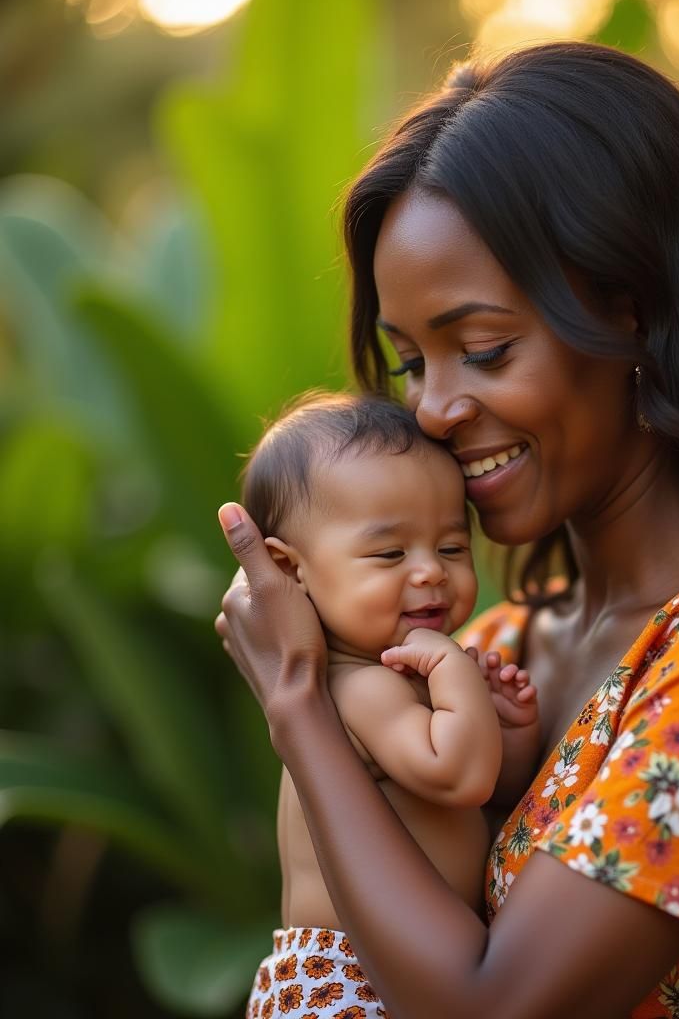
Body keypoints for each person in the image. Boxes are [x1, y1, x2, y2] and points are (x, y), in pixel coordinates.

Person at [216, 42, 679, 1019]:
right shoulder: (494, 647)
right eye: (409, 363)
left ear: (636, 314)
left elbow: (493, 1007)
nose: (433, 409)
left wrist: (299, 698)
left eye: (482, 348)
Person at [236, 391, 539, 1017]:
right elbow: (456, 773)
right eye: (389, 553)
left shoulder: (387, 679)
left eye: (452, 548)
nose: (430, 572)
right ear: (290, 571)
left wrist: (509, 735)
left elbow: (479, 793)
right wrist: (455, 670)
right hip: (348, 982)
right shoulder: (358, 687)